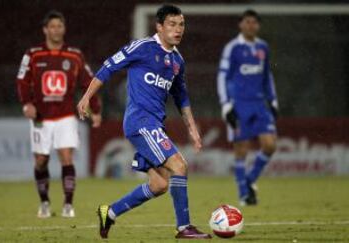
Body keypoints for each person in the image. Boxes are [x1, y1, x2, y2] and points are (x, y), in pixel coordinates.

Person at [77, 4, 211, 240]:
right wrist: (87, 97)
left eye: (181, 24)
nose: (178, 29)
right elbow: (108, 67)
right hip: (140, 121)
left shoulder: (178, 60)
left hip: (154, 124)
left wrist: (192, 129)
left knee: (159, 184)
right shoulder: (142, 47)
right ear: (159, 26)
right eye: (172, 24)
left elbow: (181, 97)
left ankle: (111, 211)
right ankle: (184, 228)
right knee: (179, 165)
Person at [16, 10, 102, 218]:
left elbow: (89, 83)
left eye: (60, 26)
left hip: (65, 115)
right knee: (41, 160)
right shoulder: (33, 54)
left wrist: (96, 109)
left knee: (66, 157)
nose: (56, 30)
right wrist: (27, 103)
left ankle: (68, 205)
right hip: (40, 117)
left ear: (64, 29)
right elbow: (22, 80)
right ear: (45, 30)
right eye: (52, 26)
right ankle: (44, 202)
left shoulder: (74, 55)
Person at [217, 10, 278, 206]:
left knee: (270, 145)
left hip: (259, 104)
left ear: (258, 26)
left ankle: (248, 182)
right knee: (241, 150)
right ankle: (244, 195)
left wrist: (273, 100)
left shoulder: (263, 47)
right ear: (241, 25)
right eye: (247, 22)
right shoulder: (232, 48)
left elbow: (267, 75)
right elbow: (222, 77)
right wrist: (226, 105)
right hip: (238, 104)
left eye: (254, 23)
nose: (251, 25)